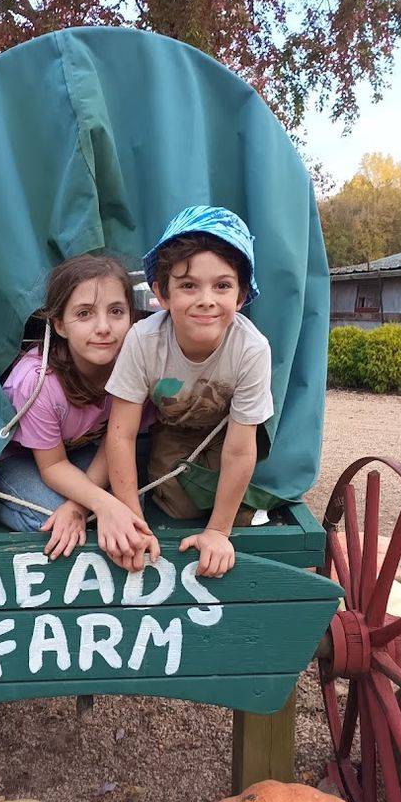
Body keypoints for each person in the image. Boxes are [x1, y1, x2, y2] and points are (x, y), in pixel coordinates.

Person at [105, 206, 274, 578]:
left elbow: (240, 446)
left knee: (236, 496)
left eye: (222, 286)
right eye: (188, 285)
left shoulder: (251, 348)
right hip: (174, 428)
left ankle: (237, 511)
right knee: (177, 505)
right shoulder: (144, 340)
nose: (206, 299)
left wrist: (218, 532)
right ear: (161, 294)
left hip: (225, 431)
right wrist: (131, 520)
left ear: (242, 295)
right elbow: (120, 434)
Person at [0, 253, 155, 563]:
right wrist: (102, 505)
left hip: (79, 451)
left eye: (116, 311)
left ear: (132, 318)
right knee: (56, 519)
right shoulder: (37, 381)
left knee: (129, 504)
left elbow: (115, 443)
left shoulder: (134, 366)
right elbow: (52, 466)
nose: (103, 327)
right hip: (21, 460)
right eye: (84, 314)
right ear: (60, 325)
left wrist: (85, 506)